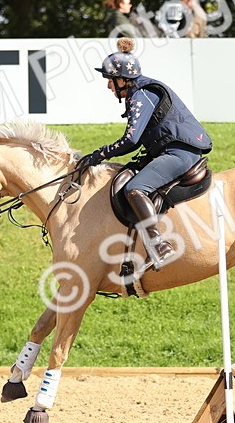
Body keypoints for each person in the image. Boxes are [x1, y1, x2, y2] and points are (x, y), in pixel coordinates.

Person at [85, 37, 213, 267]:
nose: (108, 86)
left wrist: (101, 154)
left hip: (180, 153)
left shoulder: (141, 94)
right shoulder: (140, 92)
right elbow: (135, 141)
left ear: (123, 79)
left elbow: (131, 139)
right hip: (173, 149)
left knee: (135, 189)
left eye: (110, 80)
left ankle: (158, 244)